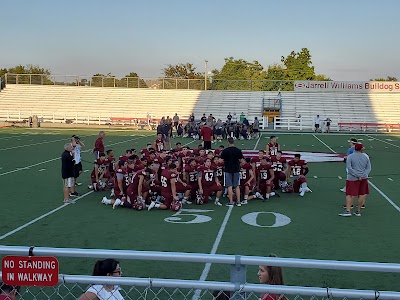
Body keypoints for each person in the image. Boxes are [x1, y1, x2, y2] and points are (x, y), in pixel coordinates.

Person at [339, 143, 371, 217]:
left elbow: (349, 168)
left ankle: (348, 211)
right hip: (363, 178)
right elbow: (368, 168)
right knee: (362, 194)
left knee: (349, 194)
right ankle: (358, 211)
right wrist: (362, 176)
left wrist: (357, 175)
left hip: (352, 178)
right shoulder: (366, 156)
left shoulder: (350, 156)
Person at [220, 137, 244, 206]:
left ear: (228, 142)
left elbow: (221, 160)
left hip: (228, 169)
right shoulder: (238, 150)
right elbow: (241, 160)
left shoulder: (225, 151)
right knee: (237, 186)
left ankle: (231, 201)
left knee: (229, 186)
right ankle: (238, 201)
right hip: (236, 169)